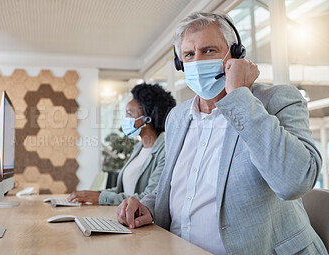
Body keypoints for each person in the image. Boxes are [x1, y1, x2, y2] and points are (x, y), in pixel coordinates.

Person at [117, 12, 327, 255]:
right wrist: (148, 207)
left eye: (209, 51)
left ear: (236, 55)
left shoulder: (277, 100)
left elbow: (294, 181)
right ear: (180, 64)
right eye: (188, 54)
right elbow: (172, 186)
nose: (196, 61)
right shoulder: (177, 117)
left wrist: (239, 97)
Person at [68, 83, 176, 205]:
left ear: (148, 119)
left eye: (129, 114)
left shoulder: (165, 151)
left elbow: (149, 198)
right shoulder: (139, 148)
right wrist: (93, 195)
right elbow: (122, 190)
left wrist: (100, 197)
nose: (125, 119)